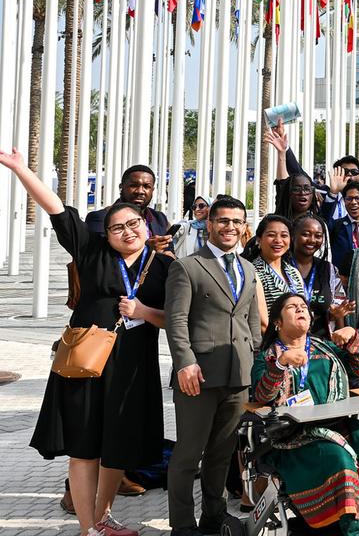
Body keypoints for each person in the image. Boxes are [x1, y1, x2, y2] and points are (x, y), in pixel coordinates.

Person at [5, 151, 169, 536]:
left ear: (146, 226)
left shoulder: (165, 267)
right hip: (86, 366)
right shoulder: (92, 253)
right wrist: (21, 169)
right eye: (117, 227)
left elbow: (178, 320)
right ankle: (86, 528)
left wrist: (144, 312)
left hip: (131, 370)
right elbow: (58, 210)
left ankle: (103, 517)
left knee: (117, 447)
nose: (127, 232)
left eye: (134, 224)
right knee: (84, 449)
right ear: (106, 234)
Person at [250, 294, 359, 534]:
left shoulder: (325, 348)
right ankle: (352, 531)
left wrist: (354, 338)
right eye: (292, 307)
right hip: (295, 437)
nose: (300, 309)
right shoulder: (268, 358)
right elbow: (263, 396)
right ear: (277, 323)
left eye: (304, 306)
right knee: (339, 459)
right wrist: (281, 364)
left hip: (339, 425)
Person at [164, 194, 262, 536]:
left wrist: (254, 353)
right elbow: (176, 321)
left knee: (222, 453)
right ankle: (182, 524)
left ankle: (213, 517)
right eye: (223, 220)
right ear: (209, 225)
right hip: (198, 376)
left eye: (237, 221)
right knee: (188, 455)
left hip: (237, 377)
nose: (230, 227)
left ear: (244, 226)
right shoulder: (187, 266)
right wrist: (184, 363)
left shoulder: (248, 268)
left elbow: (250, 320)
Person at [290, 214, 350, 336]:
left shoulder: (329, 270)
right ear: (292, 236)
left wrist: (336, 313)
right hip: (289, 343)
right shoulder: (281, 267)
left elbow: (338, 312)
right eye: (306, 234)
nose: (312, 240)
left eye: (318, 236)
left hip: (322, 344)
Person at [84, 164, 172, 239]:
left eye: (146, 186)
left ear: (152, 190)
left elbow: (169, 250)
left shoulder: (160, 219)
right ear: (121, 187)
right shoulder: (100, 218)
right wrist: (148, 249)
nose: (140, 191)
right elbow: (99, 254)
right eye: (133, 185)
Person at [249, 215, 305, 325]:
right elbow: (263, 323)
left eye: (284, 235)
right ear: (259, 240)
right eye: (271, 235)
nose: (278, 240)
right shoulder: (253, 272)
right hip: (273, 340)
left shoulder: (294, 272)